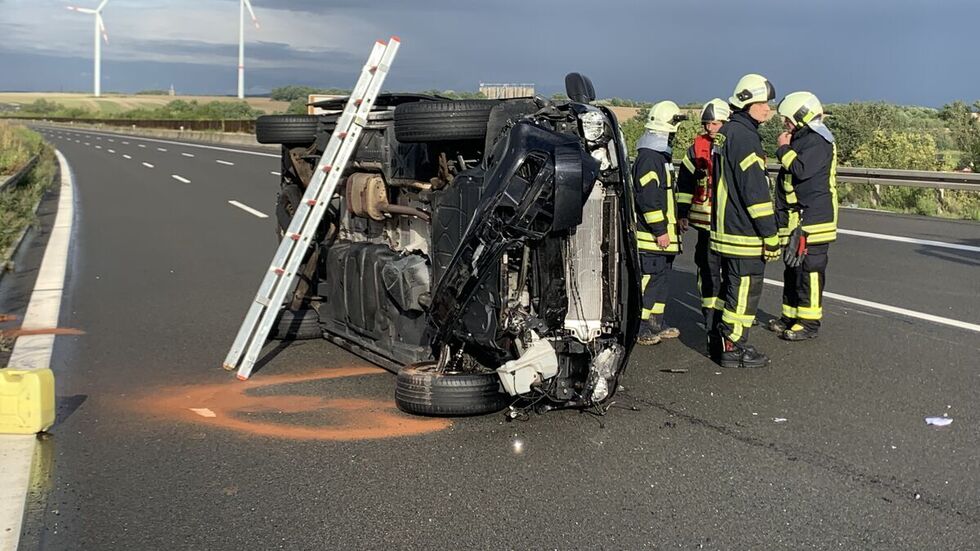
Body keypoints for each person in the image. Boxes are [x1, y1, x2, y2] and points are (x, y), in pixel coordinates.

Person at [710, 74, 780, 368]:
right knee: (744, 293)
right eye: (763, 103)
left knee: (731, 290)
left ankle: (722, 340)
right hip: (744, 233)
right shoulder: (746, 138)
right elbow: (755, 192)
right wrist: (771, 235)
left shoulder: (728, 132)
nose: (768, 109)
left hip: (726, 229)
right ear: (747, 103)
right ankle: (734, 346)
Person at [769, 91, 838, 340]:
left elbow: (801, 169)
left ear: (801, 116)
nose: (785, 123)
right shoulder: (804, 138)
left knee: (810, 270)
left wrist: (783, 148)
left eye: (788, 119)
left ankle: (809, 323)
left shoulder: (818, 140)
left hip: (814, 219)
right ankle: (790, 316)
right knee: (793, 268)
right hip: (797, 218)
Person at [677, 98, 731, 355]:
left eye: (715, 123)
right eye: (707, 123)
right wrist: (682, 213)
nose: (710, 128)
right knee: (708, 271)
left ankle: (727, 317)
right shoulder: (695, 150)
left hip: (730, 225)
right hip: (705, 224)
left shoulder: (736, 145)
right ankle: (710, 319)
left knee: (731, 273)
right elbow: (685, 184)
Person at [632, 101, 687, 345]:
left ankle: (656, 322)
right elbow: (648, 198)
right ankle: (640, 326)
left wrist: (677, 222)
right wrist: (660, 230)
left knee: (661, 281)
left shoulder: (660, 157)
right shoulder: (649, 158)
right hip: (651, 238)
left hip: (664, 237)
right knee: (649, 281)